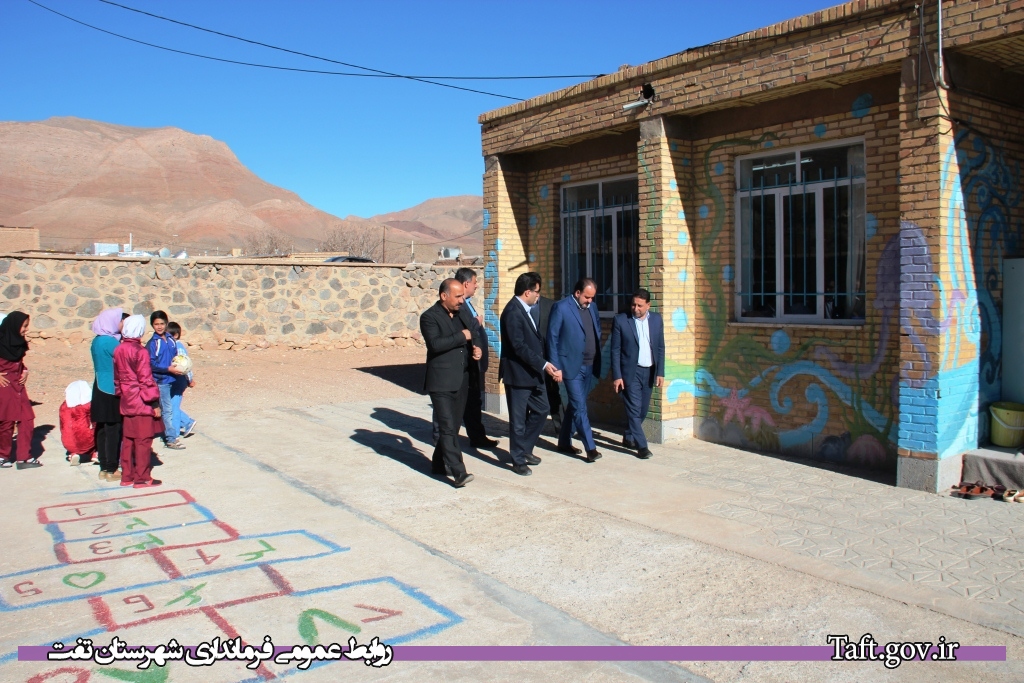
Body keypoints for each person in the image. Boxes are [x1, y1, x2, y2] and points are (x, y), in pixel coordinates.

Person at [499, 272, 562, 476]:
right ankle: (518, 460)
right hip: (518, 375)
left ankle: (525, 448)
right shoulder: (512, 312)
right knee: (518, 421)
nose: (538, 296)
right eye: (537, 292)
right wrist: (543, 364)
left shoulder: (525, 309)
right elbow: (518, 346)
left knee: (542, 409)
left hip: (533, 374)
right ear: (527, 292)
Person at [420, 278, 480, 487]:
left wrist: (476, 349)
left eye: (463, 296)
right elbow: (435, 344)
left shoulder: (461, 314)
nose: (462, 300)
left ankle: (438, 463)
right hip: (441, 381)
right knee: (446, 427)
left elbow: (473, 334)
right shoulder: (429, 317)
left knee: (453, 427)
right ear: (443, 296)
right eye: (458, 296)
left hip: (461, 379)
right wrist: (462, 336)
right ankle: (459, 472)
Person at [431, 267, 498, 450]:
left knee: (472, 402)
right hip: (458, 365)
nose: (477, 286)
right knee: (446, 406)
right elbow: (456, 332)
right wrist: (476, 324)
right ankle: (440, 442)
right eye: (475, 283)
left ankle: (477, 436)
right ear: (466, 283)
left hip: (472, 364)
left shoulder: (467, 303)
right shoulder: (452, 308)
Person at [547, 278, 603, 463]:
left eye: (592, 298)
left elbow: (597, 330)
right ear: (577, 293)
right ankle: (591, 448)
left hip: (589, 364)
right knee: (580, 407)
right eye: (587, 297)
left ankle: (564, 442)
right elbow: (552, 338)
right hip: (570, 366)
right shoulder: (561, 307)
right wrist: (556, 367)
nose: (590, 301)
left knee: (575, 405)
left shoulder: (592, 308)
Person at [611, 289, 666, 459]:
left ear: (648, 305)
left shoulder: (656, 320)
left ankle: (629, 436)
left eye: (640, 305)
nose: (636, 308)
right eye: (633, 305)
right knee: (634, 410)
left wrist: (660, 372)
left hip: (649, 371)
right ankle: (642, 446)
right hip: (631, 372)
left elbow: (660, 347)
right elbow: (615, 350)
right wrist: (617, 376)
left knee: (642, 410)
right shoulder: (621, 320)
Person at [114, 314, 163, 488]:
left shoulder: (119, 349)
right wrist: (154, 402)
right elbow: (146, 379)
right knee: (143, 440)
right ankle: (142, 477)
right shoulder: (140, 351)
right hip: (141, 401)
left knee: (128, 440)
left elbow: (117, 378)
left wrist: (121, 394)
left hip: (127, 400)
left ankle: (127, 475)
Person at [91, 308, 127, 481]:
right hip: (110, 388)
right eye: (121, 321)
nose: (122, 325)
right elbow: (125, 359)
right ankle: (112, 469)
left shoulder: (97, 340)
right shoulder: (110, 342)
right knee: (113, 429)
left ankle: (104, 467)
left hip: (99, 387)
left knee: (102, 429)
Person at [0, 312, 39, 469]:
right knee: (6, 422)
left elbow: (19, 362)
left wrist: (25, 370)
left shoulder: (18, 343)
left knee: (27, 419)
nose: (26, 329)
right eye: (24, 326)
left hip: (18, 385)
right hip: (4, 386)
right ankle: (3, 455)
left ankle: (24, 457)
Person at [146, 310, 185, 450]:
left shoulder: (170, 340)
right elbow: (151, 364)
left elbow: (175, 357)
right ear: (152, 325)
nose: (159, 327)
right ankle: (171, 439)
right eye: (156, 324)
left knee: (170, 408)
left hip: (173, 378)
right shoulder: (153, 343)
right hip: (161, 380)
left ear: (166, 323)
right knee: (167, 410)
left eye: (162, 323)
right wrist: (167, 369)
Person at [536, 294, 564, 435]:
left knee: (553, 393)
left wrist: (555, 361)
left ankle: (561, 428)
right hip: (530, 359)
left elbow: (557, 334)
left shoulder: (551, 305)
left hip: (548, 358)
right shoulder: (520, 307)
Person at [166, 322, 197, 440]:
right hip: (171, 380)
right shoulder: (169, 345)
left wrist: (190, 380)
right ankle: (187, 422)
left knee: (173, 406)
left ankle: (174, 434)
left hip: (179, 380)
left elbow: (185, 366)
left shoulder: (178, 347)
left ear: (176, 335)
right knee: (170, 405)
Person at [60, 380, 95, 465]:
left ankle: (73, 454)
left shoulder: (63, 407)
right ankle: (95, 453)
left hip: (67, 443)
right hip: (85, 440)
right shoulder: (87, 406)